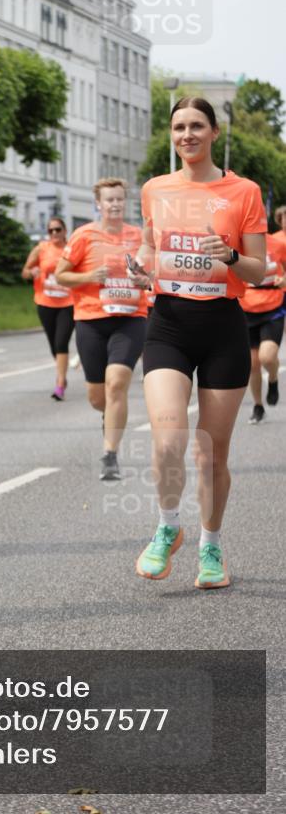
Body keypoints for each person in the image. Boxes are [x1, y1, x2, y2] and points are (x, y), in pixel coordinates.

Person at [134, 97, 266, 590]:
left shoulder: (244, 192)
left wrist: (230, 255)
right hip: (168, 323)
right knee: (167, 438)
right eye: (178, 127)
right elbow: (150, 244)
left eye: (196, 126)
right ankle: (169, 527)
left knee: (211, 453)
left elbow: (259, 270)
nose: (186, 135)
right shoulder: (155, 189)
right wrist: (142, 263)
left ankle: (211, 544)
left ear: (213, 132)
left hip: (222, 328)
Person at [55, 178, 148, 480]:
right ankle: (108, 416)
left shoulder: (139, 236)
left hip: (132, 317)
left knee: (117, 381)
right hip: (91, 320)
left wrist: (143, 278)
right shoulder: (84, 236)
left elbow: (152, 274)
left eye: (120, 199)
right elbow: (61, 276)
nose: (115, 204)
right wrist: (90, 275)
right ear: (98, 204)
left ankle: (110, 454)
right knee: (98, 397)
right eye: (109, 200)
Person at [22, 217, 74, 400]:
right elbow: (25, 271)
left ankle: (60, 383)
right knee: (53, 344)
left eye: (58, 229)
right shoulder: (41, 248)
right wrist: (32, 272)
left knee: (61, 342)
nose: (54, 234)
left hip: (69, 302)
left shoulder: (72, 249)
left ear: (65, 231)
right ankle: (62, 373)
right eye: (50, 230)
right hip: (45, 302)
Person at [239, 227, 286, 422]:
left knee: (267, 357)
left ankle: (273, 379)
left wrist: (283, 280)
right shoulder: (238, 244)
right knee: (253, 364)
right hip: (246, 307)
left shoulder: (278, 243)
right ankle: (258, 406)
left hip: (273, 306)